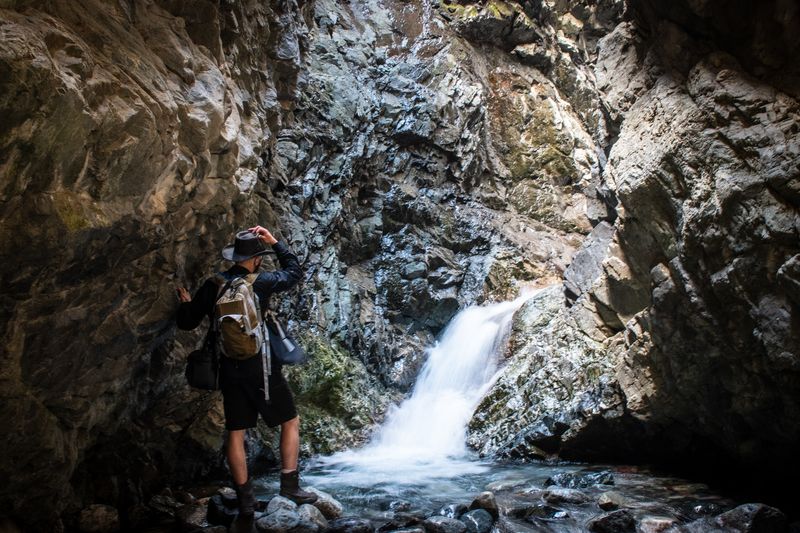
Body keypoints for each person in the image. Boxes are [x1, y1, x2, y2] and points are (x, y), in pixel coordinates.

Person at [176, 225, 317, 515]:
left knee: (236, 433)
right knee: (289, 421)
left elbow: (187, 322)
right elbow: (295, 273)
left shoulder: (212, 285)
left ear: (234, 258)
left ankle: (246, 501)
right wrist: (275, 242)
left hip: (228, 368)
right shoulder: (262, 281)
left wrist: (187, 304)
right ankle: (290, 485)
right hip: (262, 367)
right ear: (256, 259)